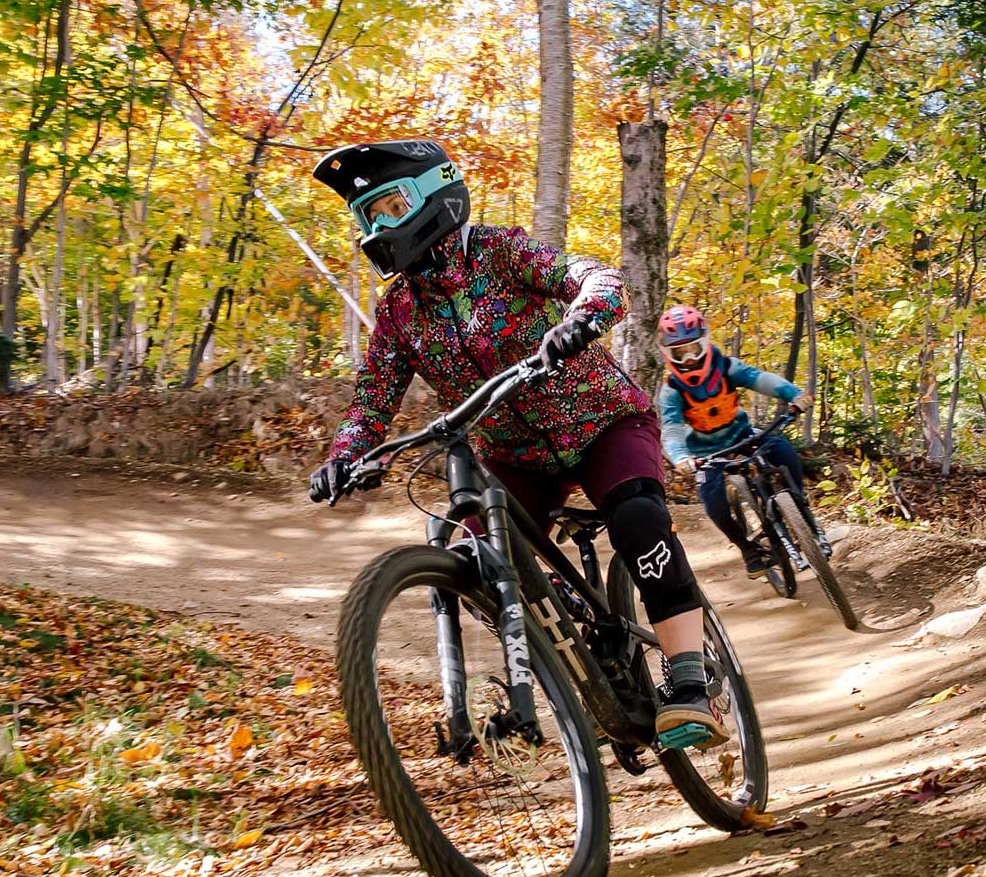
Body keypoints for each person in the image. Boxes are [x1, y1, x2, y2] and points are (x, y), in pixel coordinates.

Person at [306, 139, 725, 743]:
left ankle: (689, 682)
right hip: (516, 457)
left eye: (389, 207)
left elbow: (593, 276)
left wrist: (581, 318)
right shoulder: (399, 311)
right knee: (484, 566)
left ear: (436, 195)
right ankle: (579, 655)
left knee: (637, 518)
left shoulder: (499, 252)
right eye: (366, 217)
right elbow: (372, 400)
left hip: (603, 422)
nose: (378, 228)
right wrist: (345, 456)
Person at [654, 304, 818, 578]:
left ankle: (800, 510)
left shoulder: (726, 367)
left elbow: (759, 379)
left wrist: (793, 394)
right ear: (668, 355)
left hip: (743, 435)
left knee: (784, 452)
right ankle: (748, 550)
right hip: (705, 453)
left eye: (694, 348)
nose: (689, 359)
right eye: (679, 353)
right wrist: (680, 458)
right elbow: (670, 429)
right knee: (714, 504)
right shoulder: (671, 392)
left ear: (705, 343)